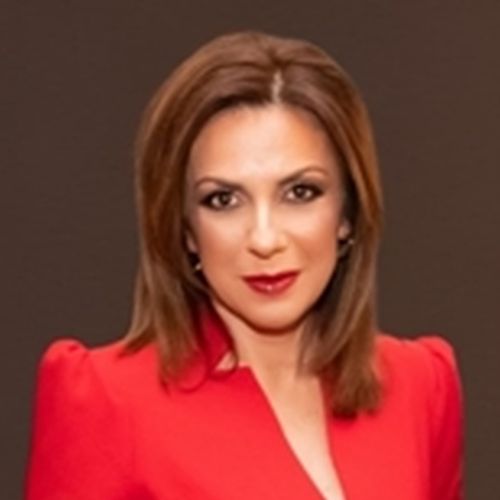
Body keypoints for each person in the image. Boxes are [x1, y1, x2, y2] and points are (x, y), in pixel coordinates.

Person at [25, 31, 463, 500]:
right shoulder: (104, 398)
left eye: (300, 193)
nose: (264, 240)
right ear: (186, 229)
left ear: (347, 212)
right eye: (223, 200)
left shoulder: (421, 384)